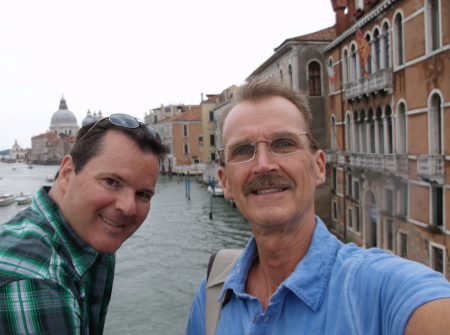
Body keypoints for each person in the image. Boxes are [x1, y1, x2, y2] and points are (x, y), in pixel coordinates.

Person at [186, 78, 450, 335]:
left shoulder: (383, 289)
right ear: (226, 182)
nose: (263, 165)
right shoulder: (211, 297)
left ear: (319, 167)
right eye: (243, 150)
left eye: (284, 144)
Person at [0, 114, 168, 334]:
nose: (128, 208)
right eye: (111, 182)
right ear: (67, 174)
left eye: (143, 194)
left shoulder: (78, 236)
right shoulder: (38, 283)